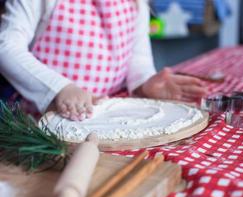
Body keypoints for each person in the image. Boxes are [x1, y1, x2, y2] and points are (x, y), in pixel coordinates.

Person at [0, 0, 206, 121]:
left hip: (108, 119)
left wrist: (145, 84)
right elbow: (5, 46)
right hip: (43, 126)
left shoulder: (136, 4)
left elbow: (137, 58)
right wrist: (59, 88)